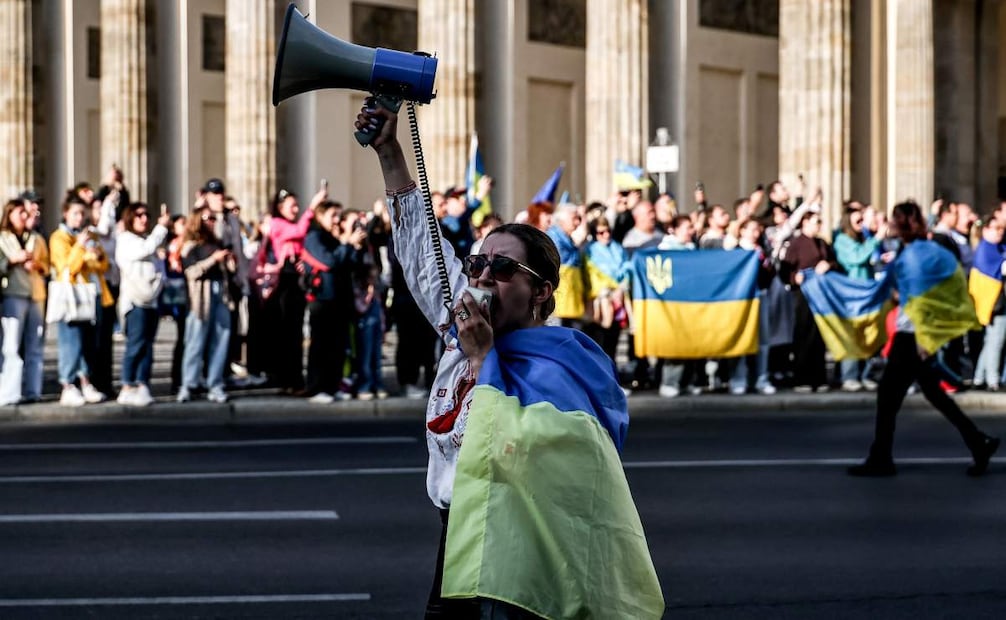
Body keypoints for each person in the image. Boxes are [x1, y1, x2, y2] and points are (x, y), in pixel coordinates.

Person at [356, 103, 662, 619]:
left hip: (519, 545)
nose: (481, 275)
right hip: (458, 534)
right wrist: (389, 149)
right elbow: (421, 255)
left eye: (501, 267)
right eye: (477, 263)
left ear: (540, 292)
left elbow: (530, 454)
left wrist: (482, 363)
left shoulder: (566, 362)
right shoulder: (469, 324)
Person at [848, 201, 1000, 477]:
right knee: (932, 393)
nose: (890, 225)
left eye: (894, 220)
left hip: (912, 336)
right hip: (917, 334)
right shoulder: (924, 251)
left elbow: (919, 301)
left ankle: (881, 459)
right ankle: (978, 441)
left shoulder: (914, 256)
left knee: (888, 396)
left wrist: (923, 341)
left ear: (902, 224)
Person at [49, 197, 112, 406]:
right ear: (65, 213)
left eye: (82, 213)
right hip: (71, 297)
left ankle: (85, 380)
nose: (80, 217)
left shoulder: (89, 235)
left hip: (90, 294)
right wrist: (81, 249)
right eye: (75, 213)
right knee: (71, 340)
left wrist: (95, 255)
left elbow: (103, 265)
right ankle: (68, 384)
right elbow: (67, 266)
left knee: (88, 341)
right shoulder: (58, 237)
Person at [302, 201, 365, 403]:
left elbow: (350, 263)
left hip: (340, 299)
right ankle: (316, 387)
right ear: (320, 216)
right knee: (321, 345)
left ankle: (332, 385)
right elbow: (329, 262)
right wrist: (347, 243)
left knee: (338, 346)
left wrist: (354, 246)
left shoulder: (334, 237)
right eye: (333, 215)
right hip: (323, 299)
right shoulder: (314, 237)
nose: (337, 220)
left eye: (339, 215)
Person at [178, 206, 236, 403]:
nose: (212, 221)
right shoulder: (190, 246)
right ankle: (189, 383)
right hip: (200, 297)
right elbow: (191, 272)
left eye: (213, 218)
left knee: (220, 341)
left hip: (221, 292)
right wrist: (213, 259)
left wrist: (229, 261)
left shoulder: (218, 242)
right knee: (195, 342)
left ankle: (215, 383)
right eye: (208, 218)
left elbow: (230, 271)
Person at [115, 203, 171, 406]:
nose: (143, 219)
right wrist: (162, 227)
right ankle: (127, 384)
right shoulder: (126, 240)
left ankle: (142, 383)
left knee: (148, 346)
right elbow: (144, 250)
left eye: (146, 214)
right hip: (135, 301)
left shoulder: (147, 240)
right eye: (138, 215)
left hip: (151, 300)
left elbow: (158, 268)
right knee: (135, 345)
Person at [779, 210, 837, 392]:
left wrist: (828, 265)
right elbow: (784, 270)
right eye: (815, 221)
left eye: (819, 222)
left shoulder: (822, 243)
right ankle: (802, 377)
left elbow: (834, 261)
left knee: (819, 332)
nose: (818, 225)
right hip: (803, 294)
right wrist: (794, 277)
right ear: (805, 223)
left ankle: (818, 377)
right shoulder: (796, 244)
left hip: (820, 293)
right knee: (804, 332)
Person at [0, 199, 49, 405]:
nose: (24, 217)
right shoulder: (3, 238)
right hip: (13, 293)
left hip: (36, 294)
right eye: (20, 212)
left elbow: (47, 266)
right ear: (9, 214)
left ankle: (33, 390)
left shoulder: (36, 238)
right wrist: (13, 260)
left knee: (35, 345)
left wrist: (37, 265)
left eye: (25, 213)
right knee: (10, 345)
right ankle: (9, 392)